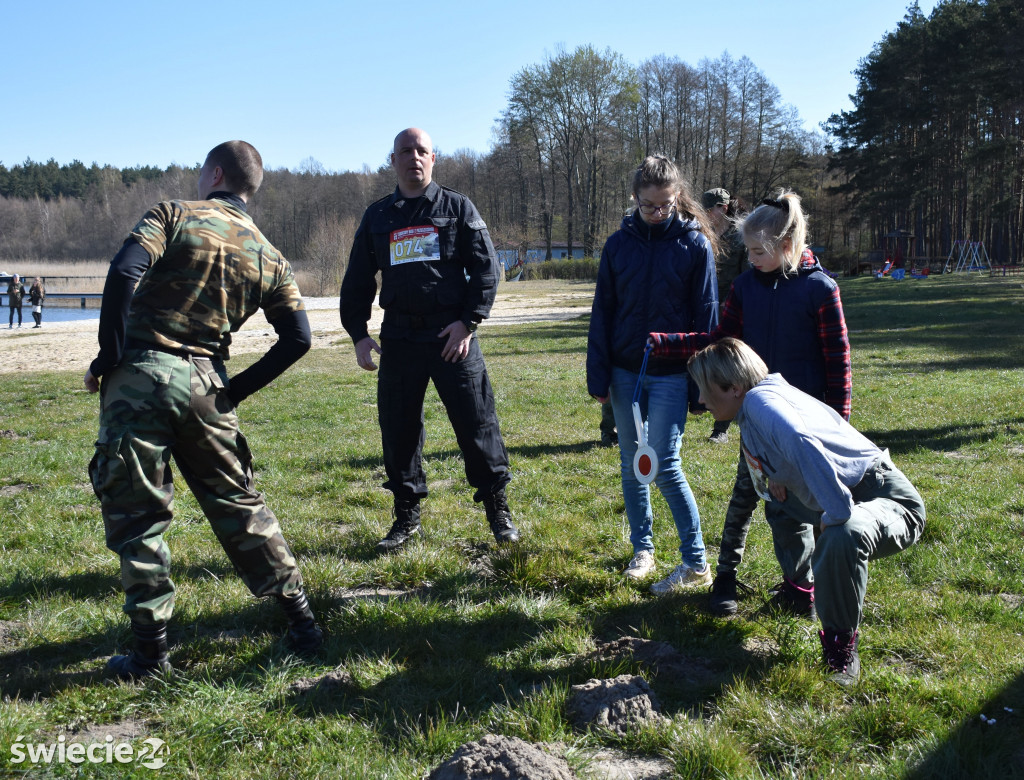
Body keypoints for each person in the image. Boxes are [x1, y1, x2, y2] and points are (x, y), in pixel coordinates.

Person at [85, 141, 322, 679]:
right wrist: (233, 389)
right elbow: (299, 339)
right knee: (240, 504)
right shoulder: (270, 256)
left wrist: (109, 356)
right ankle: (303, 623)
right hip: (206, 385)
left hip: (141, 376)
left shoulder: (173, 214)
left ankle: (151, 655)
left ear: (214, 173)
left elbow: (124, 273)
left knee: (139, 517)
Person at [649, 189, 851, 617]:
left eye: (760, 251)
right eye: (748, 250)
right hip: (758, 421)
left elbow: (839, 363)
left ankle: (804, 589)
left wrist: (840, 424)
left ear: (788, 246)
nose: (752, 258)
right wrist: (669, 344)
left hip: (806, 428)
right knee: (744, 498)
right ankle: (725, 578)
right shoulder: (745, 287)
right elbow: (719, 341)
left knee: (803, 510)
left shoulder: (820, 290)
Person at [687, 338, 924, 685]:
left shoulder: (761, 402)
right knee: (778, 499)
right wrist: (779, 479)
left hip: (888, 498)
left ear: (734, 387)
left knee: (845, 531)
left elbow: (801, 440)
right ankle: (800, 592)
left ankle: (841, 650)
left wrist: (836, 510)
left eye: (705, 390)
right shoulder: (754, 405)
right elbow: (782, 459)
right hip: (849, 490)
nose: (701, 400)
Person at [340, 127, 520, 553]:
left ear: (433, 158)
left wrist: (468, 322)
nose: (414, 158)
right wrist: (359, 335)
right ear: (393, 160)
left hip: (451, 335)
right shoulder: (378, 216)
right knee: (399, 429)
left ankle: (498, 511)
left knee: (477, 424)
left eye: (421, 151)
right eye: (406, 151)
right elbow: (358, 280)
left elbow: (486, 269)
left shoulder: (456, 207)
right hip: (399, 337)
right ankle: (406, 516)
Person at [587, 155, 720, 593]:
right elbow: (602, 312)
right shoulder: (617, 245)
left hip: (672, 375)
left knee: (664, 465)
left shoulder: (695, 245)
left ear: (677, 196)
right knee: (631, 465)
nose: (658, 212)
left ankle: (696, 562)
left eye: (666, 204)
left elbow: (708, 318)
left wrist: (703, 387)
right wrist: (599, 373)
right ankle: (642, 549)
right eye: (649, 205)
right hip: (625, 373)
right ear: (634, 198)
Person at [701, 188, 747, 445]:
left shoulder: (740, 238)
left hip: (731, 311)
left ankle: (721, 428)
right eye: (705, 210)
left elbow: (746, 280)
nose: (708, 215)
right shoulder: (702, 236)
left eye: (712, 209)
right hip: (706, 310)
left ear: (724, 208)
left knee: (729, 370)